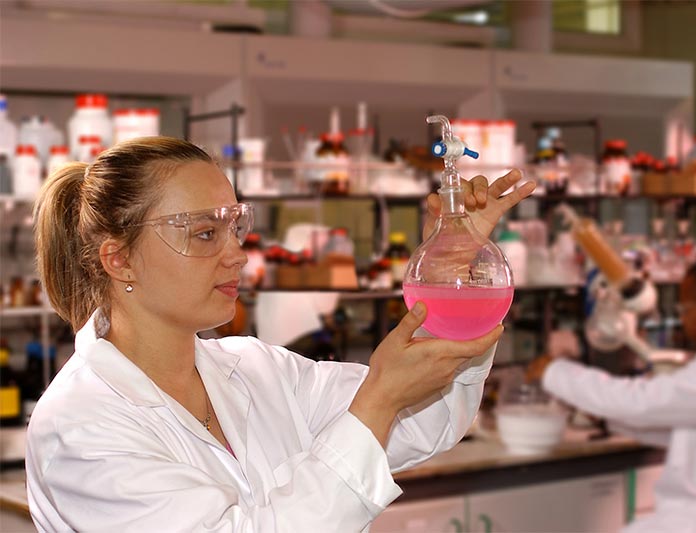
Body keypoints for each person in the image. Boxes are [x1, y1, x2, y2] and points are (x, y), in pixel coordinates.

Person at [26, 136, 536, 532]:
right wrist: (377, 401)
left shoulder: (257, 369)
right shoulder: (79, 426)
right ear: (118, 259)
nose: (238, 254)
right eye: (205, 233)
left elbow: (425, 422)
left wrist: (450, 272)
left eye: (235, 227)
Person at [528, 256, 696, 532]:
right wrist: (607, 420)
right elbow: (684, 430)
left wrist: (555, 372)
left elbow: (639, 402)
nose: (683, 319)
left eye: (686, 309)